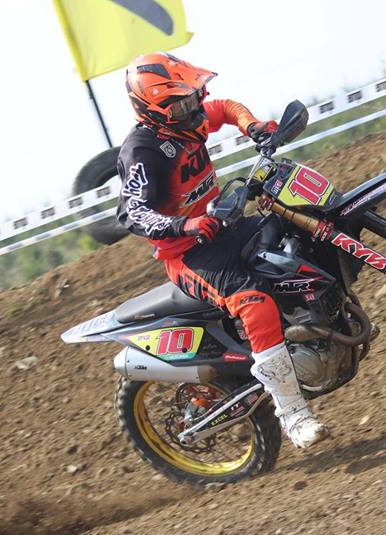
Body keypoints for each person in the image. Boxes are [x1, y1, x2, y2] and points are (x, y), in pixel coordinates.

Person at [115, 52, 329, 449]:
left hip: (224, 227)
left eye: (193, 97)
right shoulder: (142, 151)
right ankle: (294, 415)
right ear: (152, 111)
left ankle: (325, 329)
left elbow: (225, 107)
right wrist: (185, 224)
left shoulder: (188, 120)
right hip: (190, 254)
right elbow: (133, 213)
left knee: (303, 234)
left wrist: (253, 126)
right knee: (255, 304)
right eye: (181, 105)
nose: (194, 109)